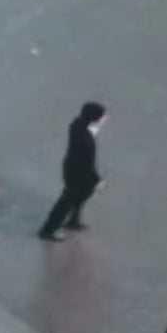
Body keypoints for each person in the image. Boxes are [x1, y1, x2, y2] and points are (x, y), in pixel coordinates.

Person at [37, 100, 104, 240]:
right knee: (66, 202)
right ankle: (47, 231)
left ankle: (73, 220)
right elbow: (88, 164)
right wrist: (97, 179)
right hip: (79, 175)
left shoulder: (76, 124)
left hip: (70, 168)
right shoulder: (86, 141)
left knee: (79, 196)